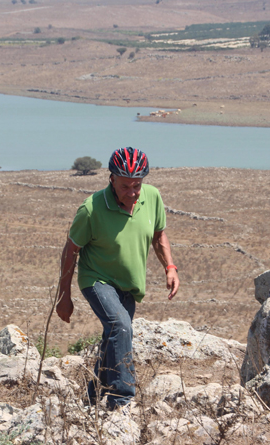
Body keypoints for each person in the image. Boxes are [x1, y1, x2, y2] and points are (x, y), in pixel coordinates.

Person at [56, 147, 180, 410]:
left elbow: (159, 236)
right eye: (126, 186)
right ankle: (122, 398)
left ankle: (90, 399)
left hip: (129, 285)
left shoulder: (153, 197)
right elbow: (70, 251)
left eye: (137, 185)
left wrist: (169, 267)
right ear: (111, 178)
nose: (133, 192)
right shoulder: (91, 209)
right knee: (121, 326)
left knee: (113, 338)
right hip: (97, 280)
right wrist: (64, 296)